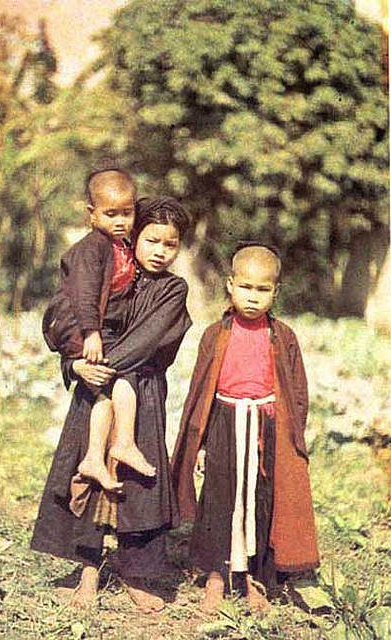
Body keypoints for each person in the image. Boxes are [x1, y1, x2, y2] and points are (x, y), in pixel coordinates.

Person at [31, 196, 192, 613]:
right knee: (89, 475)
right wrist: (74, 363)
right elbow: (63, 312)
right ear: (134, 236)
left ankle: (133, 574)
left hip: (141, 392)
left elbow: (147, 341)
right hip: (96, 390)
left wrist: (94, 366)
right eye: (152, 240)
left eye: (170, 245)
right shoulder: (109, 274)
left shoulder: (173, 289)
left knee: (135, 490)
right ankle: (87, 572)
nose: (160, 251)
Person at [171, 243, 319, 614]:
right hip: (224, 421)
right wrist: (201, 444)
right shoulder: (215, 335)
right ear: (230, 285)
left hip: (265, 426)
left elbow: (297, 392)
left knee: (260, 500)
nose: (253, 298)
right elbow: (200, 394)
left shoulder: (282, 337)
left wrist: (289, 440)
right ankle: (216, 577)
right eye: (246, 287)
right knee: (219, 499)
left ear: (275, 291)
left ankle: (255, 578)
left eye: (262, 289)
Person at [43, 167, 156, 493]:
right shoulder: (94, 247)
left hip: (102, 328)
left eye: (127, 213)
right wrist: (91, 333)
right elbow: (84, 293)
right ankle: (122, 443)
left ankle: (95, 456)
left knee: (104, 395)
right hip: (84, 328)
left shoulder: (120, 244)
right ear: (91, 214)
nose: (120, 221)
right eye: (110, 214)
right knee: (120, 382)